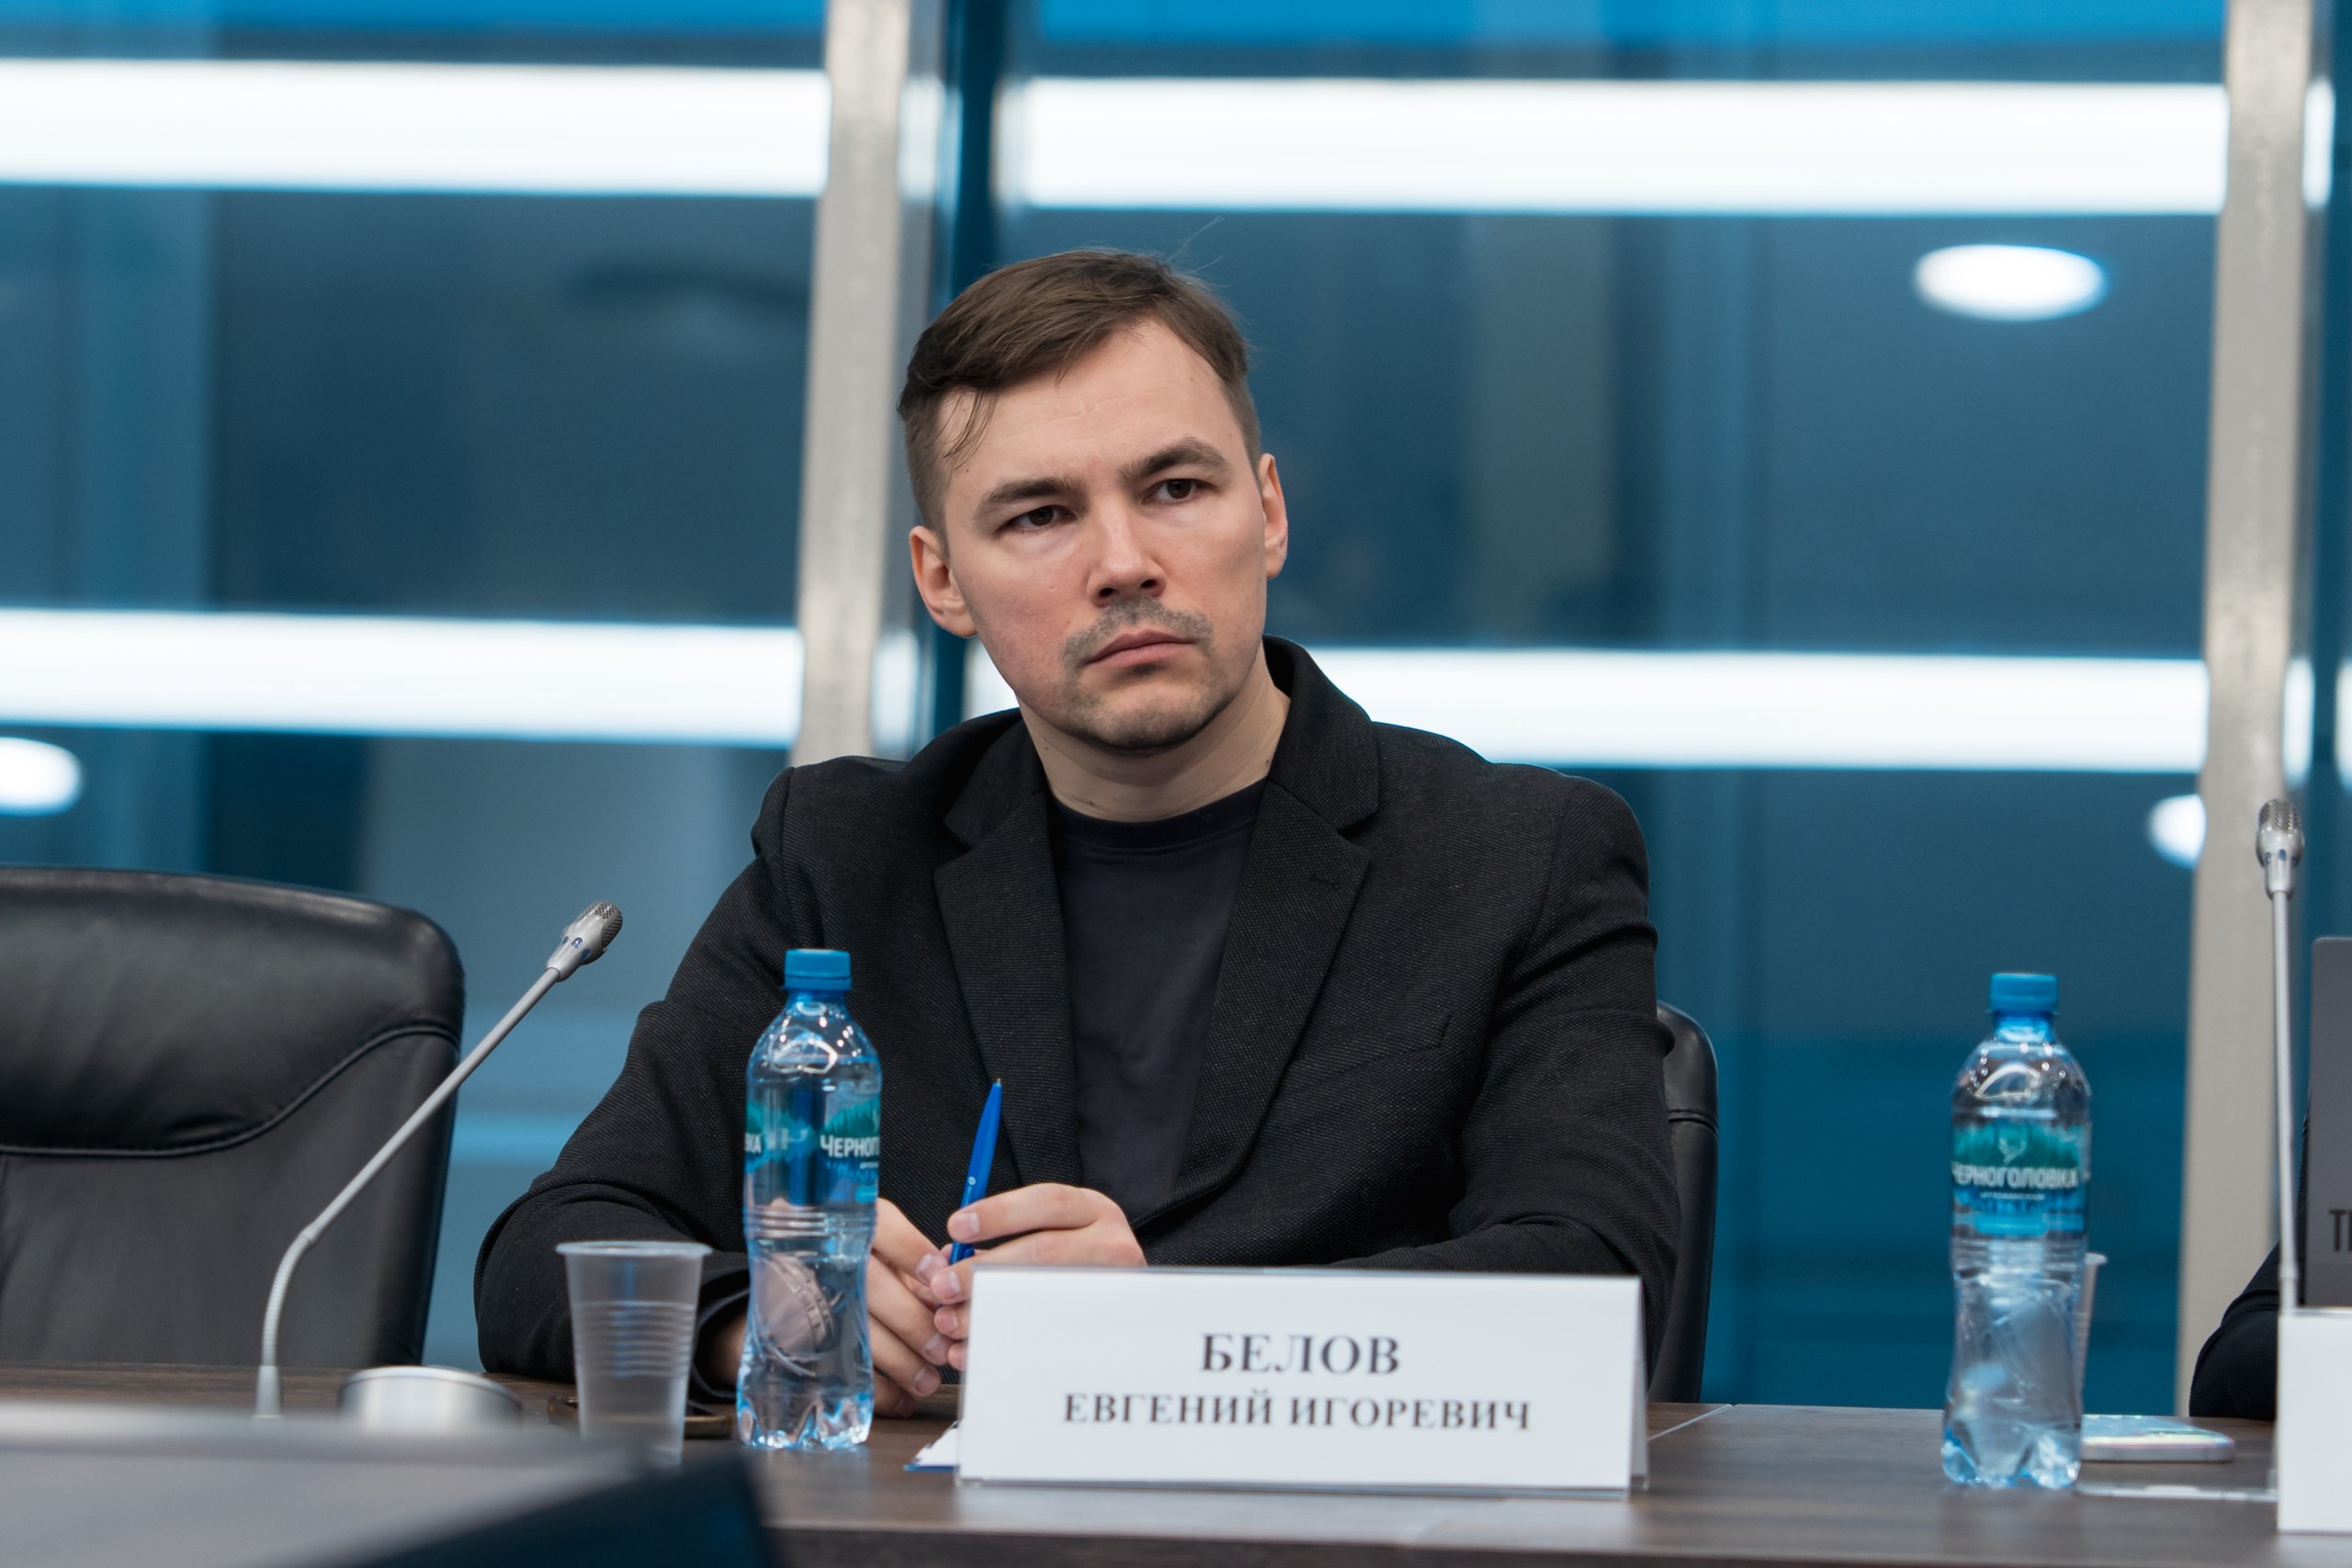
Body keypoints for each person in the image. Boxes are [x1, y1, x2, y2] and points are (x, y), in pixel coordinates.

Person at [475, 249, 1679, 1412]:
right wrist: (768, 1320)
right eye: (1042, 515)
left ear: (1267, 512)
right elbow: (550, 1248)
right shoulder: (843, 857)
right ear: (942, 581)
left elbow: (1595, 1285)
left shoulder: (1520, 857)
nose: (1123, 563)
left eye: (1176, 490)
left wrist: (1162, 1333)